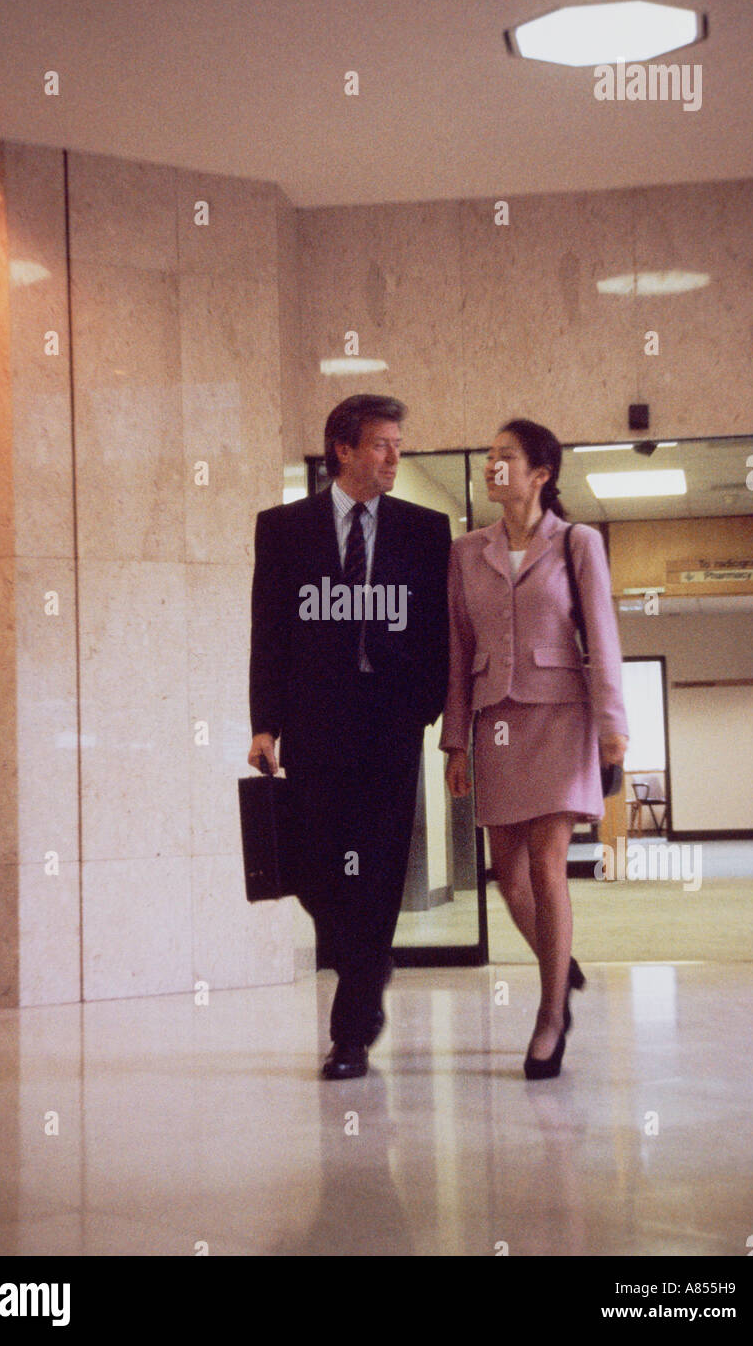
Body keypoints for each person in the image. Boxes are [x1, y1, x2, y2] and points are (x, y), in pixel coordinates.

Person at [248, 394, 451, 1080]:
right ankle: (368, 961)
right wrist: (263, 724)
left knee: (381, 869)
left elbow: (435, 633)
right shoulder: (283, 529)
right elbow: (269, 632)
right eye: (380, 445)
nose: (393, 457)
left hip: (389, 726)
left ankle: (349, 1033)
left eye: (397, 444)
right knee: (318, 870)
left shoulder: (425, 530)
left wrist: (424, 708)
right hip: (314, 724)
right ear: (343, 450)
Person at [440, 419, 628, 1080]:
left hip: (559, 716)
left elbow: (601, 634)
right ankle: (560, 963)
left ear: (540, 473)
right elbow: (458, 653)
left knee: (547, 867)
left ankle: (551, 1016)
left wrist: (612, 722)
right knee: (508, 875)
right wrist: (453, 742)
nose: (493, 466)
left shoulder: (577, 542)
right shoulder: (466, 551)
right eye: (488, 456)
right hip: (494, 720)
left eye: (505, 457)